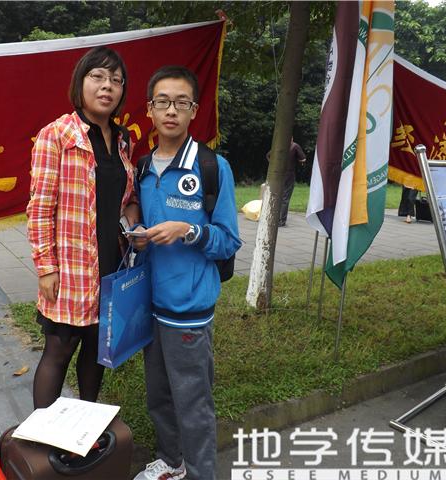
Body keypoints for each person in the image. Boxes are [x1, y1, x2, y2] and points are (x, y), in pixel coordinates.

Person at [130, 66, 241, 480]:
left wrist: (189, 230)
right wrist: (138, 236)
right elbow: (139, 220)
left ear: (194, 110)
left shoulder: (212, 167)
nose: (171, 111)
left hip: (189, 309)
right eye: (163, 102)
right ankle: (171, 461)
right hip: (149, 305)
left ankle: (199, 473)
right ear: (149, 109)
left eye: (181, 102)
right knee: (159, 396)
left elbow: (228, 240)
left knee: (193, 403)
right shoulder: (143, 168)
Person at [26, 46, 139, 409]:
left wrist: (134, 219)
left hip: (111, 262)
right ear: (81, 82)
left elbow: (126, 198)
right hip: (71, 266)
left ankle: (87, 423)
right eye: (98, 77)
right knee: (59, 350)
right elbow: (40, 207)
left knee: (95, 346)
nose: (107, 86)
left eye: (116, 80)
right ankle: (42, 433)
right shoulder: (57, 134)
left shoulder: (122, 140)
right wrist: (46, 267)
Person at [266, 138, 306, 226]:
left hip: (277, 175)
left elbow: (268, 155)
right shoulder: (295, 146)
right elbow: (303, 159)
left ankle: (272, 217)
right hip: (289, 175)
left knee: (276, 196)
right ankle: (281, 221)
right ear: (292, 138)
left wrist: (274, 165)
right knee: (285, 198)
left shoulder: (279, 144)